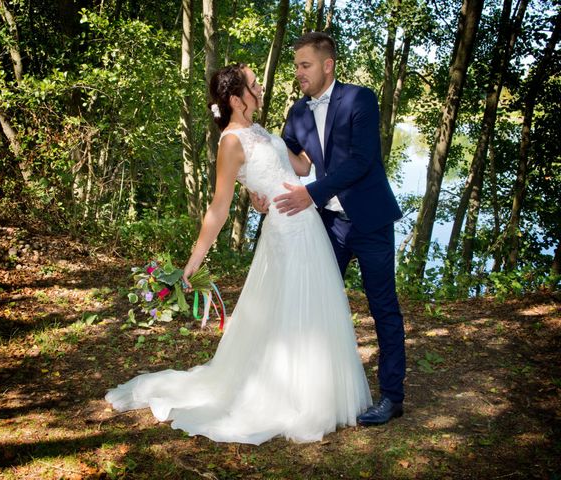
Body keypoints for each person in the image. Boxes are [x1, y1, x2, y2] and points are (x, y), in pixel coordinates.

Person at [105, 63, 372, 445]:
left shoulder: (258, 129)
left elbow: (299, 165)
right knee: (290, 309)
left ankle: (314, 388)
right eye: (253, 83)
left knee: (311, 309)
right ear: (236, 99)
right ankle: (290, 396)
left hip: (307, 225)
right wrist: (194, 260)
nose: (259, 86)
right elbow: (218, 208)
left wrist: (320, 128)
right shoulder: (231, 143)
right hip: (285, 233)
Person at [256, 31, 406, 426]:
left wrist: (311, 194)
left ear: (328, 65)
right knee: (315, 304)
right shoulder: (298, 113)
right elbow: (289, 162)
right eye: (296, 67)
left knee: (383, 307)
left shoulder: (361, 99)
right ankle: (313, 392)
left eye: (304, 66)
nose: (298, 74)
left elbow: (362, 161)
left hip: (370, 221)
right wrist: (260, 190)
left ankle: (392, 396)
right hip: (329, 224)